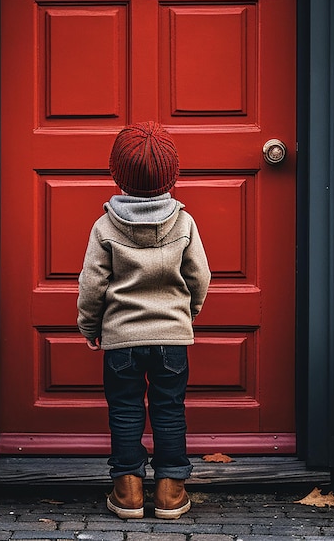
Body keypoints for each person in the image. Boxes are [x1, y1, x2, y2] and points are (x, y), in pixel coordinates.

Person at [77, 121, 211, 520]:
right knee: (169, 409)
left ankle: (129, 493)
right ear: (173, 174)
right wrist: (188, 313)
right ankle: (171, 495)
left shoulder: (105, 226)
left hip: (121, 340)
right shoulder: (183, 222)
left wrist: (89, 325)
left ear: (116, 174)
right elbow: (199, 276)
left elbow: (91, 284)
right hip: (171, 338)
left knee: (125, 410)